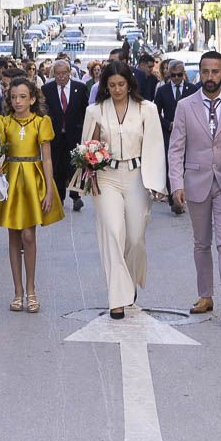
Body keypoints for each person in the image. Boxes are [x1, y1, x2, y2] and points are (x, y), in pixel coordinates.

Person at [169, 51, 221, 323]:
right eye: (205, 72)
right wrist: (176, 183)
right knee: (202, 242)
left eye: (215, 72)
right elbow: (176, 149)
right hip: (196, 182)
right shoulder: (185, 106)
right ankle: (205, 295)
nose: (210, 77)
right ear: (199, 74)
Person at [82, 61, 166, 319]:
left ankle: (128, 282)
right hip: (106, 176)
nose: (117, 89)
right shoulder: (95, 111)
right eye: (111, 85)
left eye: (121, 84)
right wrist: (90, 163)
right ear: (104, 87)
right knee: (112, 232)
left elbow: (155, 146)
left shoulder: (147, 109)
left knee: (135, 238)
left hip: (136, 175)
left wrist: (158, 184)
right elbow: (86, 146)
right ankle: (117, 298)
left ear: (130, 83)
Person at [0, 77, 65, 313]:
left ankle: (31, 289)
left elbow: (47, 157)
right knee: (14, 235)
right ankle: (17, 292)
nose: (18, 101)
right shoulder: (3, 122)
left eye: (23, 97)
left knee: (28, 235)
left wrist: (49, 190)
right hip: (10, 178)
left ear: (33, 99)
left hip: (33, 180)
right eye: (14, 97)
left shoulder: (41, 122)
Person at [41, 59, 89, 212]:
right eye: (58, 74)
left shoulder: (79, 88)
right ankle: (59, 198)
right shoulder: (47, 88)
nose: (61, 77)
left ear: (69, 73)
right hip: (54, 136)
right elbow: (44, 111)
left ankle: (76, 197)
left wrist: (83, 131)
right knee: (57, 168)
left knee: (75, 166)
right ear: (53, 74)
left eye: (64, 73)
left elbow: (85, 111)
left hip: (74, 134)